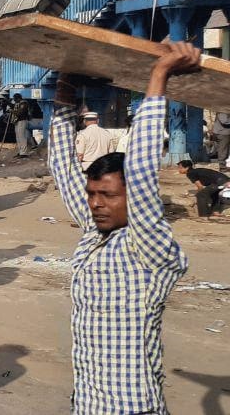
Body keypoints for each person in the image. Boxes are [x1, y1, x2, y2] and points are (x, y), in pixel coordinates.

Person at [49, 43, 196, 415]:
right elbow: (62, 169)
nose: (96, 203)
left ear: (134, 197)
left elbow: (143, 170)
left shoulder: (148, 246)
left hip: (131, 408)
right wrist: (65, 90)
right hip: (87, 403)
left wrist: (159, 74)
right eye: (93, 194)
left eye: (108, 195)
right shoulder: (96, 233)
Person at [8, 93, 37, 157]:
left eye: (15, 99)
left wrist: (12, 111)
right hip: (17, 122)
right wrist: (8, 103)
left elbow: (20, 113)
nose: (14, 101)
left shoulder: (24, 103)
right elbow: (14, 107)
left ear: (18, 98)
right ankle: (20, 151)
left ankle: (24, 153)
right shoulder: (18, 103)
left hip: (22, 121)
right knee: (18, 137)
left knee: (22, 137)